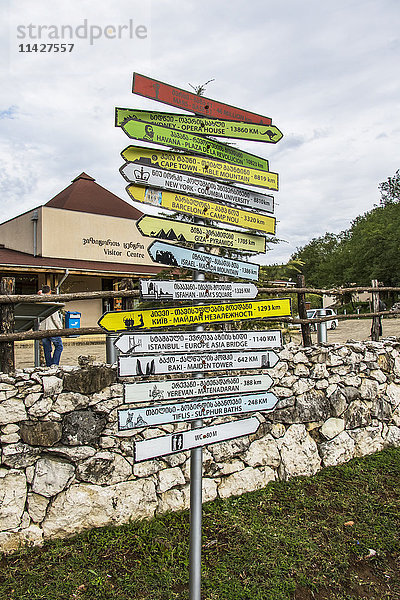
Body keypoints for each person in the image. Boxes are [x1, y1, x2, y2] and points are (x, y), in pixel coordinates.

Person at [38, 285, 64, 366]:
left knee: (47, 349)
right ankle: (55, 364)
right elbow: (55, 318)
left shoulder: (39, 300)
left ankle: (49, 364)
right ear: (50, 292)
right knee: (59, 346)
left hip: (42, 328)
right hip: (52, 328)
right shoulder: (51, 301)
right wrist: (60, 328)